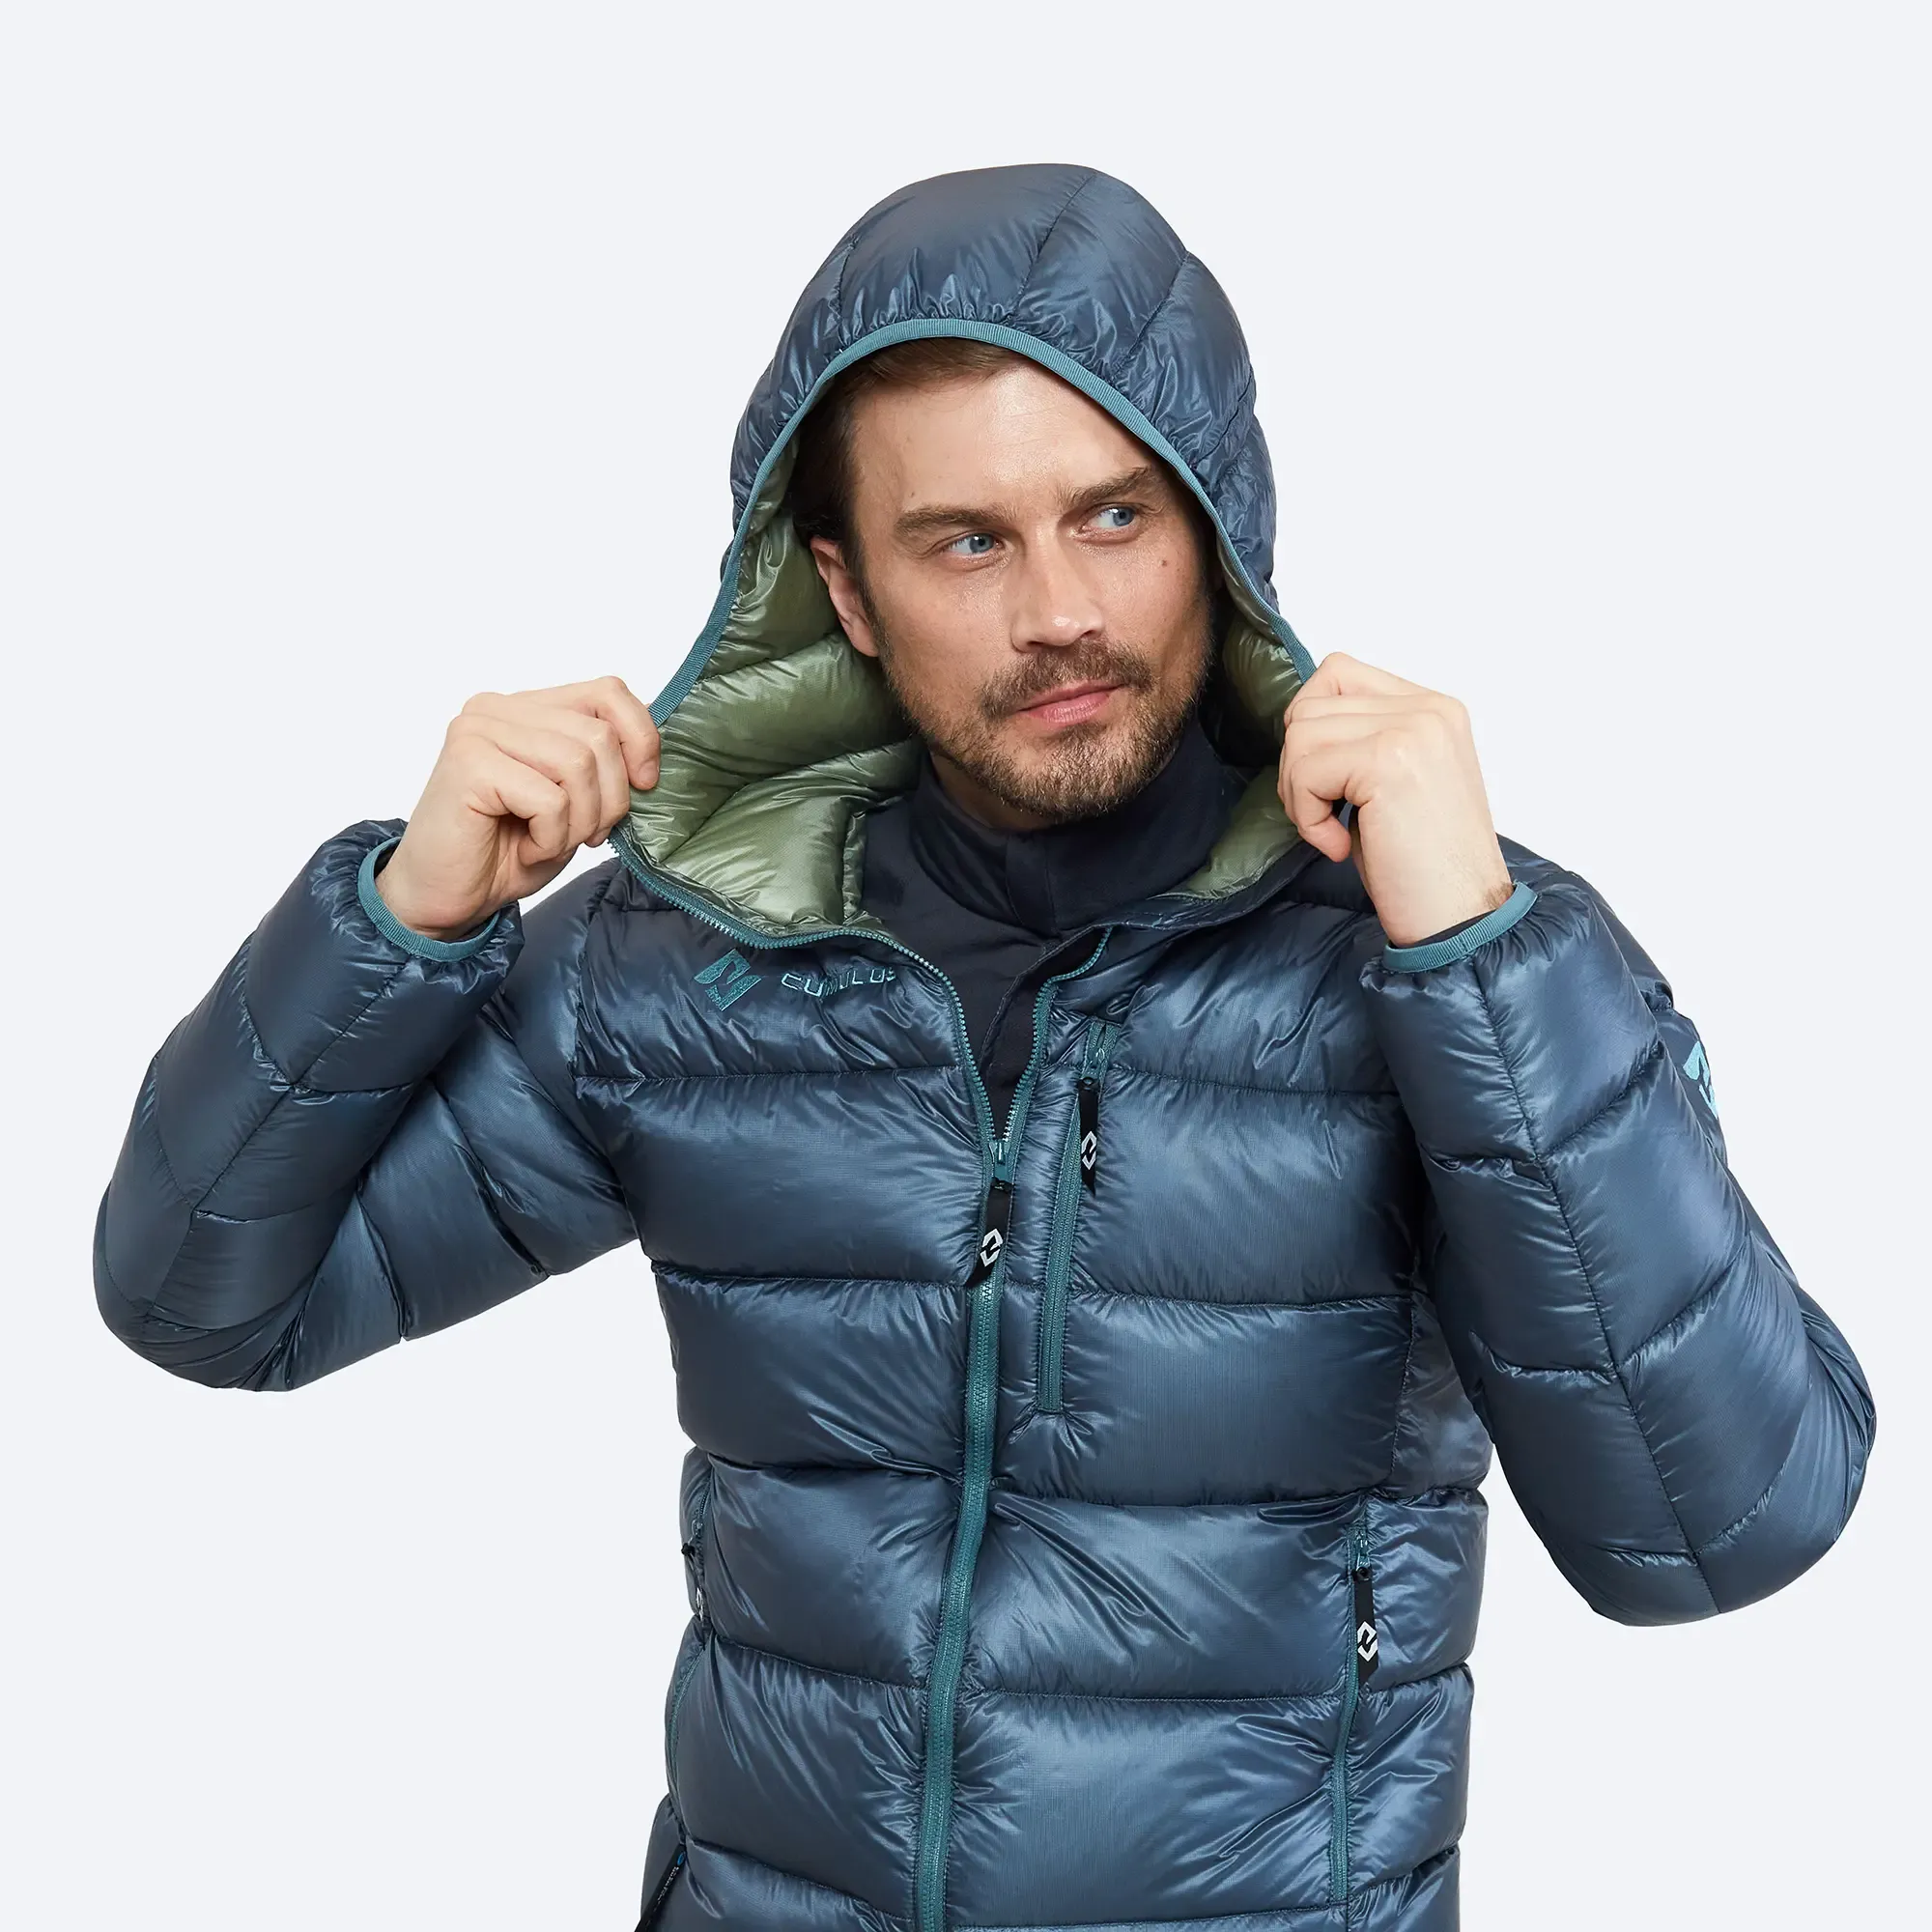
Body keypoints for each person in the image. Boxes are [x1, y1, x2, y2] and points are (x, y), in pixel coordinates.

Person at [93, 164, 1875, 1932]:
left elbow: (1719, 1529)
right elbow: (202, 1300)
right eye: (967, 540)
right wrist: (406, 923)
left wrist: (1479, 959)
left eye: (1115, 516)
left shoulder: (1440, 950)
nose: (1060, 613)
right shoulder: (687, 962)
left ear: (1216, 527)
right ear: (847, 591)